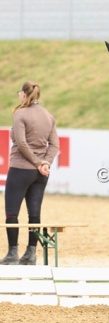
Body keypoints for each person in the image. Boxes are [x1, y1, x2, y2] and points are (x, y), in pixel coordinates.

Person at [0, 82, 59, 265]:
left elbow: (22, 143)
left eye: (20, 93)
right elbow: (55, 145)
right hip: (41, 173)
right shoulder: (48, 116)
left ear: (24, 94)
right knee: (34, 213)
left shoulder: (20, 114)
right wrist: (44, 163)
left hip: (20, 168)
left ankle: (12, 253)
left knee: (12, 212)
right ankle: (31, 253)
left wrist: (36, 162)